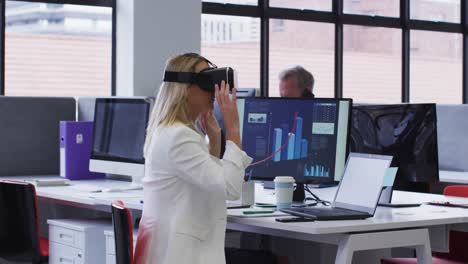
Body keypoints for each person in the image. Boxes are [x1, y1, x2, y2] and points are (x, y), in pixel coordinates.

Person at [133, 53, 252, 264]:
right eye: (206, 81)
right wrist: (233, 128)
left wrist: (214, 143)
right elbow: (230, 189)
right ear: (185, 89)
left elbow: (204, 182)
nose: (213, 90)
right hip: (182, 254)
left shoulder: (166, 131)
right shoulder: (180, 136)